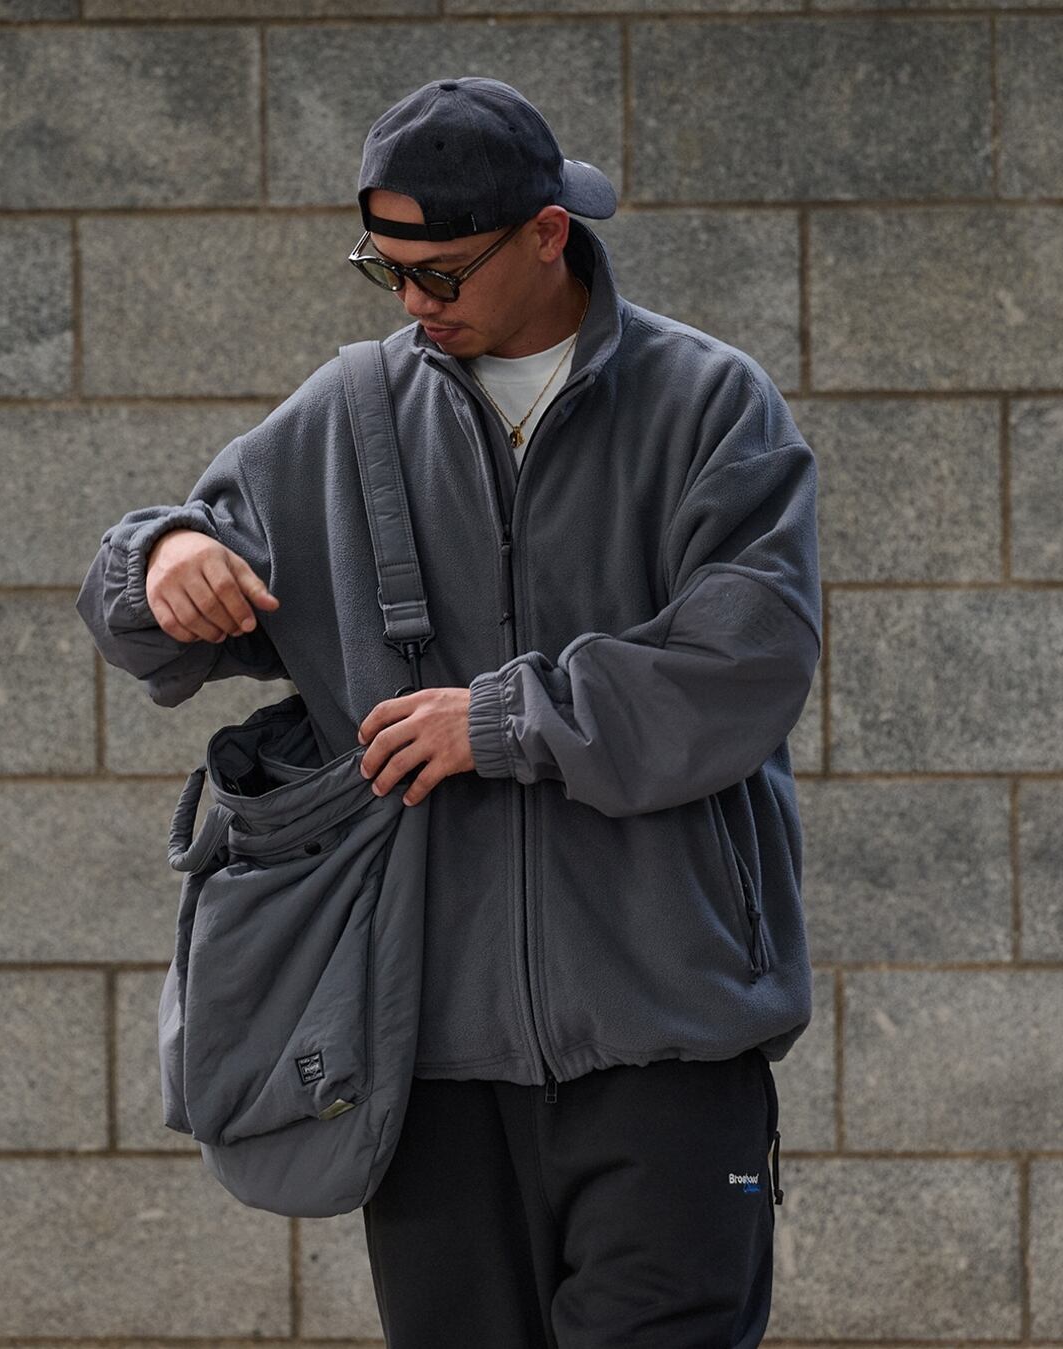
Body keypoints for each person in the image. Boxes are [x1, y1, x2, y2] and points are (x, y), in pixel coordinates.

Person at [77, 76, 821, 1349]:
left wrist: (502, 720)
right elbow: (147, 588)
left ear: (547, 233)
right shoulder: (350, 415)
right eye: (386, 270)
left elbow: (743, 662)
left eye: (442, 273)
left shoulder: (710, 405)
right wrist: (159, 558)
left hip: (673, 1038)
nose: (414, 303)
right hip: (424, 1049)